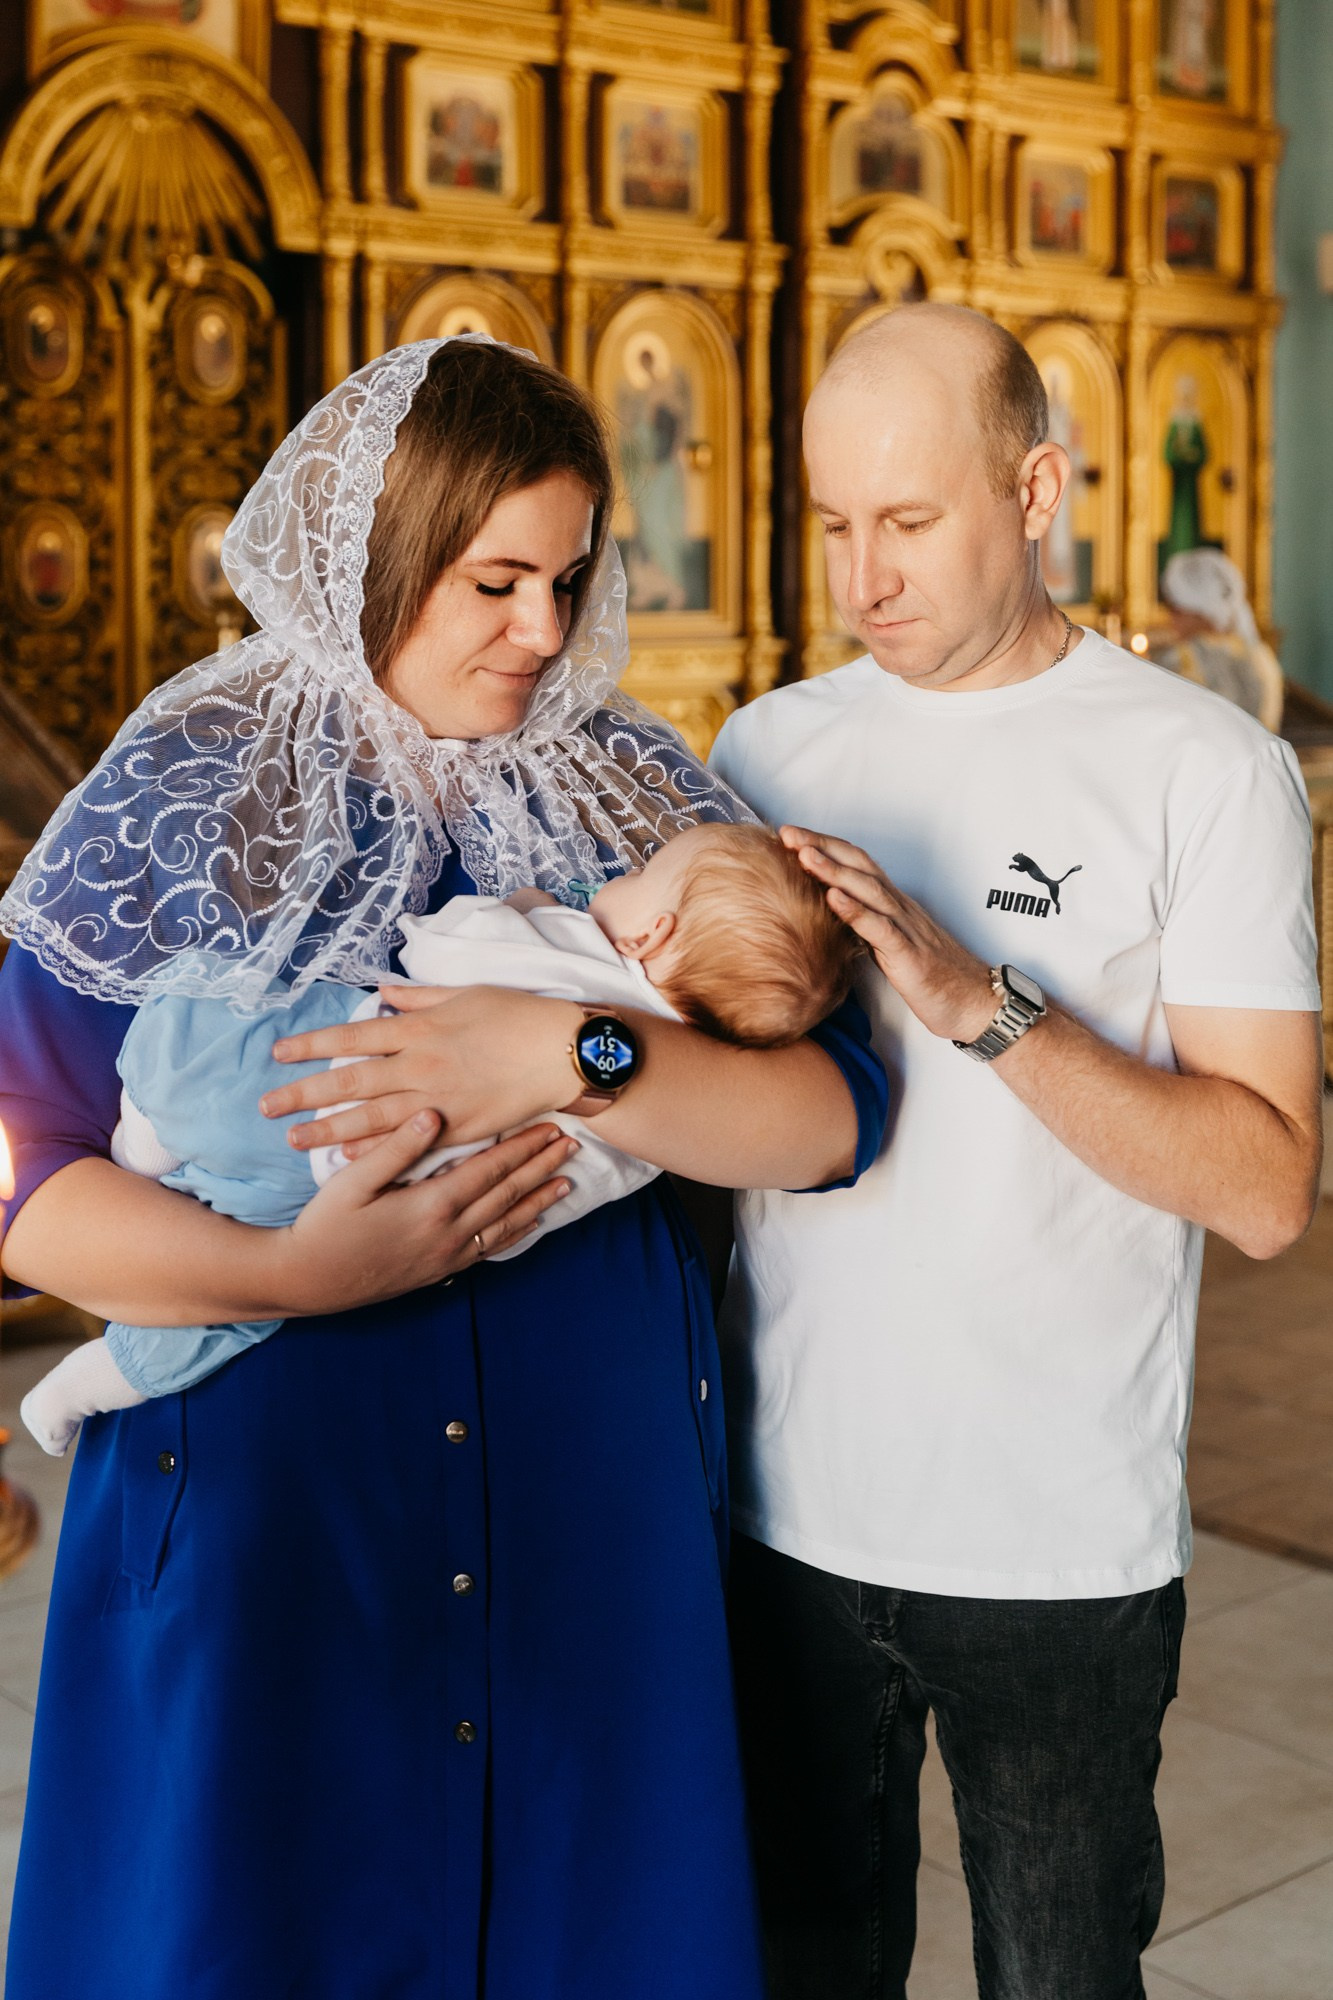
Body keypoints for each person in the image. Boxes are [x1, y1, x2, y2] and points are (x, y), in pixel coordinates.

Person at [0, 337, 888, 2000]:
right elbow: (28, 1179)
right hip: (275, 1512)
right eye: (493, 582)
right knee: (255, 1921)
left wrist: (572, 1054)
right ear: (376, 557)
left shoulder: (627, 782)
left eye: (568, 579)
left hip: (586, 1516)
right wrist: (291, 1274)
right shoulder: (185, 791)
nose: (541, 632)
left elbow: (831, 1119)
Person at [701, 304, 1321, 2000]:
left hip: (1054, 1546)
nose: (862, 577)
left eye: (908, 521)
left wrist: (978, 1001)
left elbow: (1267, 1187)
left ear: (1034, 490)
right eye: (833, 524)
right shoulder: (764, 750)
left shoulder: (1204, 770)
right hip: (784, 1513)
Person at [21, 821, 861, 1456]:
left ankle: (151, 1136)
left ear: (652, 934)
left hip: (325, 1109)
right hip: (396, 1209)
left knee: (208, 1019)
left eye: (641, 875)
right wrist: (295, 1275)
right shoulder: (664, 1117)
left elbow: (443, 947)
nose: (621, 877)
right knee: (238, 1310)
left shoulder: (573, 943)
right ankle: (104, 1376)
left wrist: (529, 920)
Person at [1157, 545, 1285, 730]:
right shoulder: (1260, 654)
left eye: (1174, 608)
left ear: (1197, 610)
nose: (1170, 618)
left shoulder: (1182, 657)